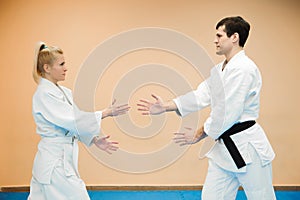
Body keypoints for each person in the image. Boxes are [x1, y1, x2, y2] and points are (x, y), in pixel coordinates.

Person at [137, 16, 276, 199]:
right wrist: (167, 106)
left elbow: (228, 112)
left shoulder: (244, 69)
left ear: (234, 37)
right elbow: (201, 94)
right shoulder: (220, 69)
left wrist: (200, 133)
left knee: (261, 197)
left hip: (248, 148)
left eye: (219, 35)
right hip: (223, 151)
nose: (215, 40)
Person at [28, 41, 130, 200]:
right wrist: (105, 113)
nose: (66, 68)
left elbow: (75, 121)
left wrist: (94, 139)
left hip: (56, 161)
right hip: (55, 163)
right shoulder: (44, 94)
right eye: (61, 64)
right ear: (47, 68)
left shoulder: (63, 92)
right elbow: (72, 120)